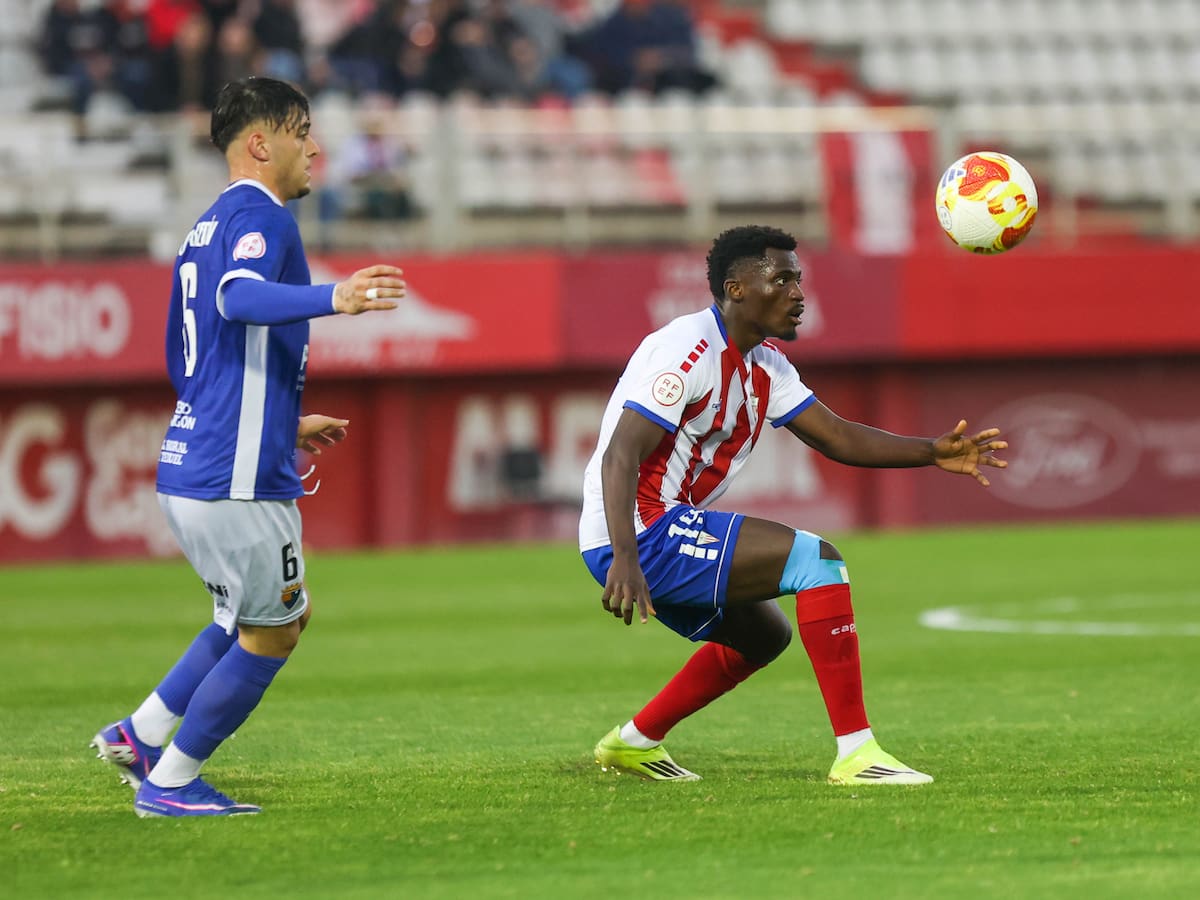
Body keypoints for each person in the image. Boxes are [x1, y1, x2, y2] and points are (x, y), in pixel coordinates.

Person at [580, 224, 1008, 785]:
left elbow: (836, 436)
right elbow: (619, 456)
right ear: (735, 290)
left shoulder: (767, 366)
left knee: (764, 636)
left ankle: (634, 742)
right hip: (638, 530)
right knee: (817, 560)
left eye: (798, 279)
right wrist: (627, 559)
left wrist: (930, 451)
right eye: (781, 280)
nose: (798, 293)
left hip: (655, 528)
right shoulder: (685, 349)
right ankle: (858, 753)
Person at [90, 76, 405, 817]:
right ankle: (170, 784)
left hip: (200, 459)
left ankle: (142, 736)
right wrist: (338, 296)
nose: (315, 148)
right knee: (276, 630)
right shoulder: (264, 220)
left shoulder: (201, 229)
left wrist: (275, 422)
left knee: (244, 618)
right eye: (301, 133)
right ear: (262, 143)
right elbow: (237, 296)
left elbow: (186, 360)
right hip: (232, 482)